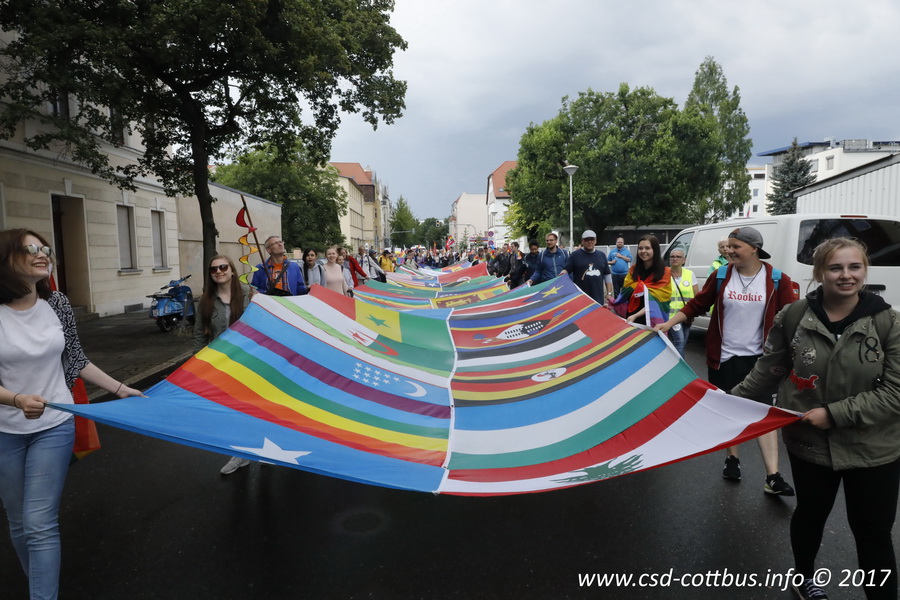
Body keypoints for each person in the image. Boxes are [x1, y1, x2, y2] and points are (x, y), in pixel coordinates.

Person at [732, 238, 900, 600]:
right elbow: (769, 370)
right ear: (820, 272)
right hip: (810, 444)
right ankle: (804, 577)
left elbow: (896, 392)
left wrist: (835, 414)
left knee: (873, 532)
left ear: (865, 270)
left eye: (854, 267)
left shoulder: (889, 322)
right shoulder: (794, 316)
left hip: (874, 447)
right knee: (811, 514)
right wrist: (726, 403)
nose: (846, 275)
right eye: (835, 268)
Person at [0, 228, 143, 599]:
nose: (43, 253)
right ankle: (39, 584)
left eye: (45, 248)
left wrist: (121, 389)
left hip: (55, 424)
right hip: (4, 432)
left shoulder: (58, 303)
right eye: (31, 248)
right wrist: (16, 399)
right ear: (6, 258)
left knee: (38, 522)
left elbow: (76, 359)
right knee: (18, 522)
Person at [655, 226, 795, 495]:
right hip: (724, 356)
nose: (729, 251)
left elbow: (792, 316)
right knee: (730, 410)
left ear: (754, 248)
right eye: (728, 246)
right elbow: (697, 304)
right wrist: (668, 324)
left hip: (760, 359)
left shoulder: (777, 279)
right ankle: (733, 458)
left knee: (764, 412)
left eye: (735, 246)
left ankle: (773, 476)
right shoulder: (721, 275)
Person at [193, 255, 252, 475]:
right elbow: (200, 334)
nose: (219, 271)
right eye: (214, 269)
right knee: (232, 410)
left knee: (254, 407)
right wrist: (197, 366)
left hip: (249, 362)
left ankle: (265, 448)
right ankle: (240, 454)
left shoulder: (249, 294)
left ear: (232, 270)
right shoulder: (206, 301)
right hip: (221, 364)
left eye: (223, 267)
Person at [612, 234, 671, 326]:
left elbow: (657, 302)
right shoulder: (633, 270)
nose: (643, 251)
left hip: (653, 321)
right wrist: (612, 305)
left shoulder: (665, 272)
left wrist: (636, 315)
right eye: (640, 248)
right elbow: (625, 293)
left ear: (655, 250)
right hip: (631, 318)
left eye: (647, 248)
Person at [562, 230, 613, 305]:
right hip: (580, 298)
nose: (589, 242)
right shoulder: (574, 255)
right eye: (586, 240)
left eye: (592, 239)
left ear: (595, 241)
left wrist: (609, 293)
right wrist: (558, 278)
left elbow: (607, 275)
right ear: (582, 241)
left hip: (597, 298)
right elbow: (566, 270)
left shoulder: (601, 255)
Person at [666, 246, 699, 357]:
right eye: (672, 257)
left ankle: (673, 361)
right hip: (672, 316)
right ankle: (681, 366)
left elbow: (696, 295)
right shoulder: (665, 274)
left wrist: (695, 312)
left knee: (683, 343)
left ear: (683, 260)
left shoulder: (690, 274)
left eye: (678, 257)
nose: (675, 259)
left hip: (686, 316)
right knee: (679, 342)